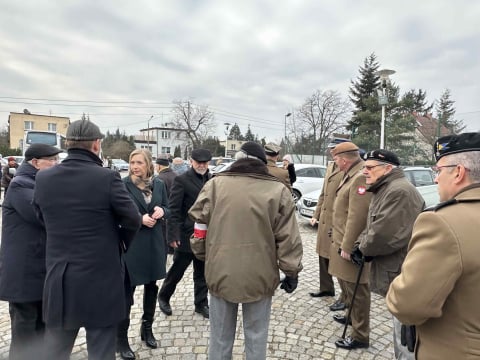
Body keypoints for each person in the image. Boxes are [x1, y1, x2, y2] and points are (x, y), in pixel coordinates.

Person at [32, 119, 142, 360]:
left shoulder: (44, 178)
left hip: (60, 275)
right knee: (101, 350)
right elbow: (133, 219)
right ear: (96, 144)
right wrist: (121, 243)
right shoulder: (107, 177)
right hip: (101, 276)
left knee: (55, 349)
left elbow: (41, 217)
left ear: (68, 144)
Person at [188, 141, 303, 359]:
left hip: (220, 270)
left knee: (220, 338)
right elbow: (288, 237)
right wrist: (291, 271)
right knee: (257, 336)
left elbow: (199, 224)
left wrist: (202, 252)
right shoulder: (277, 189)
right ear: (263, 162)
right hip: (260, 274)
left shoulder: (214, 185)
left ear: (238, 158)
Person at [386, 132, 480, 359]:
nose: (435, 179)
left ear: (458, 172)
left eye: (438, 171)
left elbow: (408, 306)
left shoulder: (443, 222)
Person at [354, 149, 424, 359]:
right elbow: (374, 225)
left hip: (401, 270)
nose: (364, 171)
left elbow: (384, 234)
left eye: (369, 167)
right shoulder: (386, 188)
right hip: (394, 267)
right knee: (399, 328)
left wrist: (362, 248)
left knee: (405, 335)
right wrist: (361, 243)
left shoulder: (398, 191)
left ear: (388, 168)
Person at [0, 144, 62, 360]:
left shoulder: (38, 183)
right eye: (51, 160)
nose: (56, 164)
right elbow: (45, 216)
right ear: (35, 162)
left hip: (38, 268)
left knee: (40, 325)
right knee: (25, 329)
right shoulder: (20, 185)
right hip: (23, 272)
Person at [116, 149, 171, 360]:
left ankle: (147, 329)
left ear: (149, 165)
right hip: (132, 245)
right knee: (126, 293)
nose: (135, 166)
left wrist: (162, 212)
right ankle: (120, 339)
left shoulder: (159, 184)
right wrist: (138, 219)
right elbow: (115, 212)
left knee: (151, 287)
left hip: (155, 243)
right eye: (132, 162)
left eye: (139, 162)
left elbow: (168, 207)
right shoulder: (122, 184)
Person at [327, 142, 372, 350]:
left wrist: (348, 245)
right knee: (348, 284)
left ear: (344, 159)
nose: (335, 162)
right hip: (340, 239)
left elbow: (357, 216)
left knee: (358, 288)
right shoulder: (350, 174)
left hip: (350, 244)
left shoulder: (360, 176)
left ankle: (360, 335)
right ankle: (351, 317)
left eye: (336, 159)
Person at [157, 149, 212, 319]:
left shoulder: (213, 180)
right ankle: (164, 296)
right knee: (177, 270)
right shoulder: (182, 180)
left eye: (204, 162)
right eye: (198, 162)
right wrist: (172, 236)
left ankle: (201, 303)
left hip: (206, 234)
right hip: (186, 234)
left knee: (202, 272)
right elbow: (173, 209)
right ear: (191, 161)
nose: (201, 165)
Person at [309, 142, 348, 312]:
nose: (332, 153)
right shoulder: (331, 165)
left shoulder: (348, 167)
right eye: (331, 150)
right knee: (322, 255)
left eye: (335, 150)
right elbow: (323, 193)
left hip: (337, 220)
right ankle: (326, 288)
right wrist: (316, 214)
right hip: (325, 218)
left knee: (338, 260)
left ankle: (345, 297)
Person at [155, 157, 178, 257]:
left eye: (156, 166)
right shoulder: (177, 176)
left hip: (164, 214)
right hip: (176, 215)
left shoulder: (158, 179)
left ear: (159, 166)